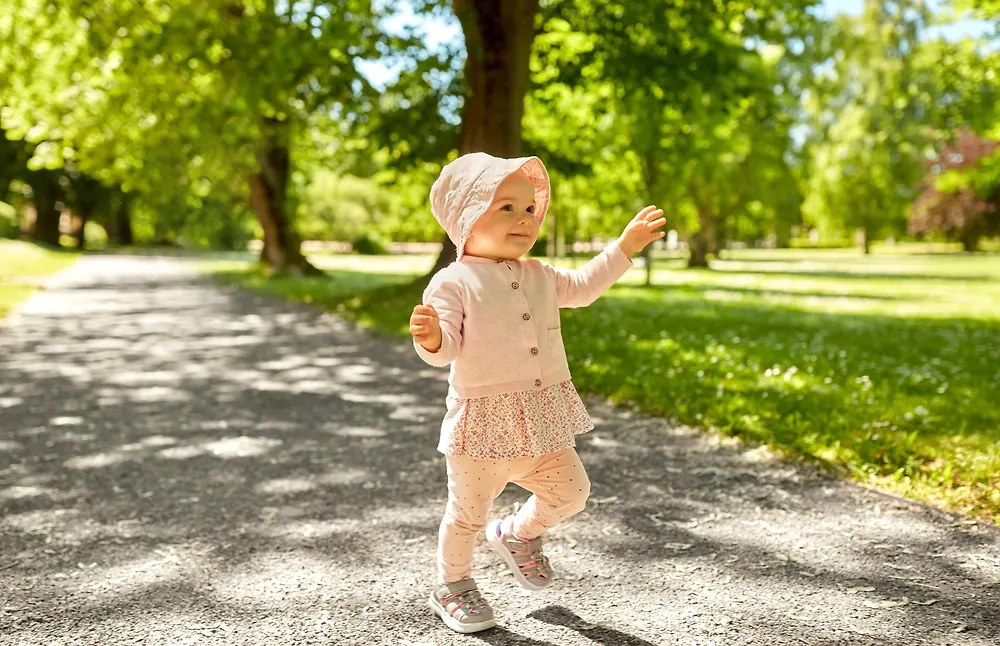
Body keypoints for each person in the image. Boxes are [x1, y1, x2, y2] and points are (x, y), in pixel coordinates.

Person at [410, 152, 665, 633]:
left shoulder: (540, 275)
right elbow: (446, 348)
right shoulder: (454, 281)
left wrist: (624, 248)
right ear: (466, 216)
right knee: (466, 515)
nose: (524, 219)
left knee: (572, 493)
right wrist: (430, 338)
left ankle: (516, 534)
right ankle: (454, 584)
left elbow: (585, 287)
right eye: (505, 207)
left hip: (541, 417)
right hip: (482, 425)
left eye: (529, 209)